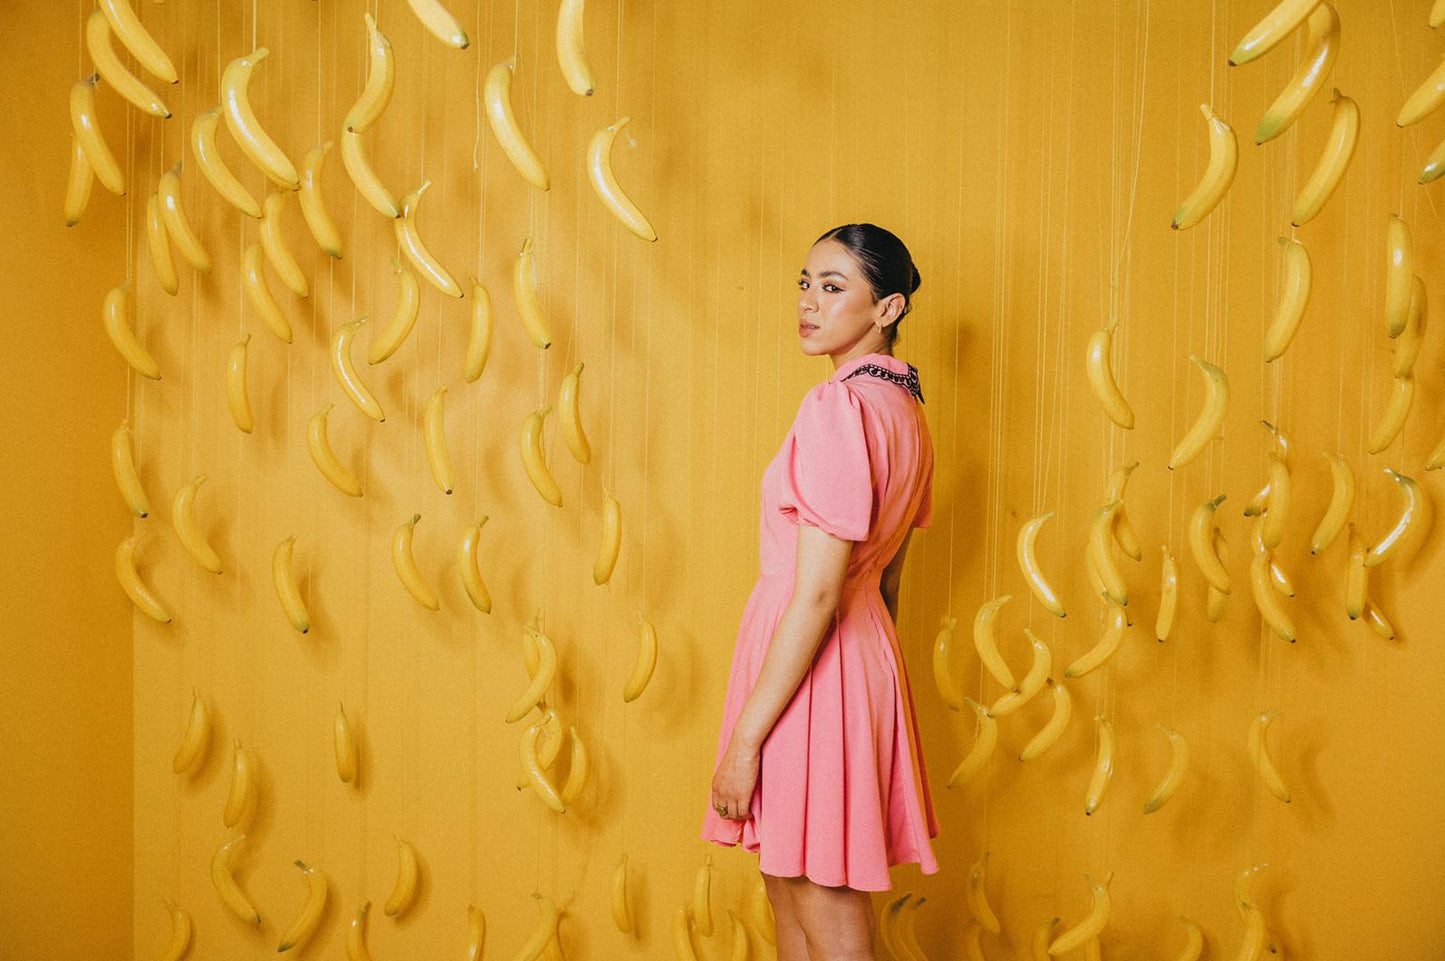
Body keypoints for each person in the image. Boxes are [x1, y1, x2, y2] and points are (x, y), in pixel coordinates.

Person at [700, 223, 939, 960]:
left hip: (812, 662)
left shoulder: (838, 407)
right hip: (853, 656)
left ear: (887, 307)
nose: (808, 301)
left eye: (832, 287)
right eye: (804, 283)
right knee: (789, 886)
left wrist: (744, 741)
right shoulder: (904, 411)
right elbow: (888, 580)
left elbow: (816, 594)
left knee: (824, 911)